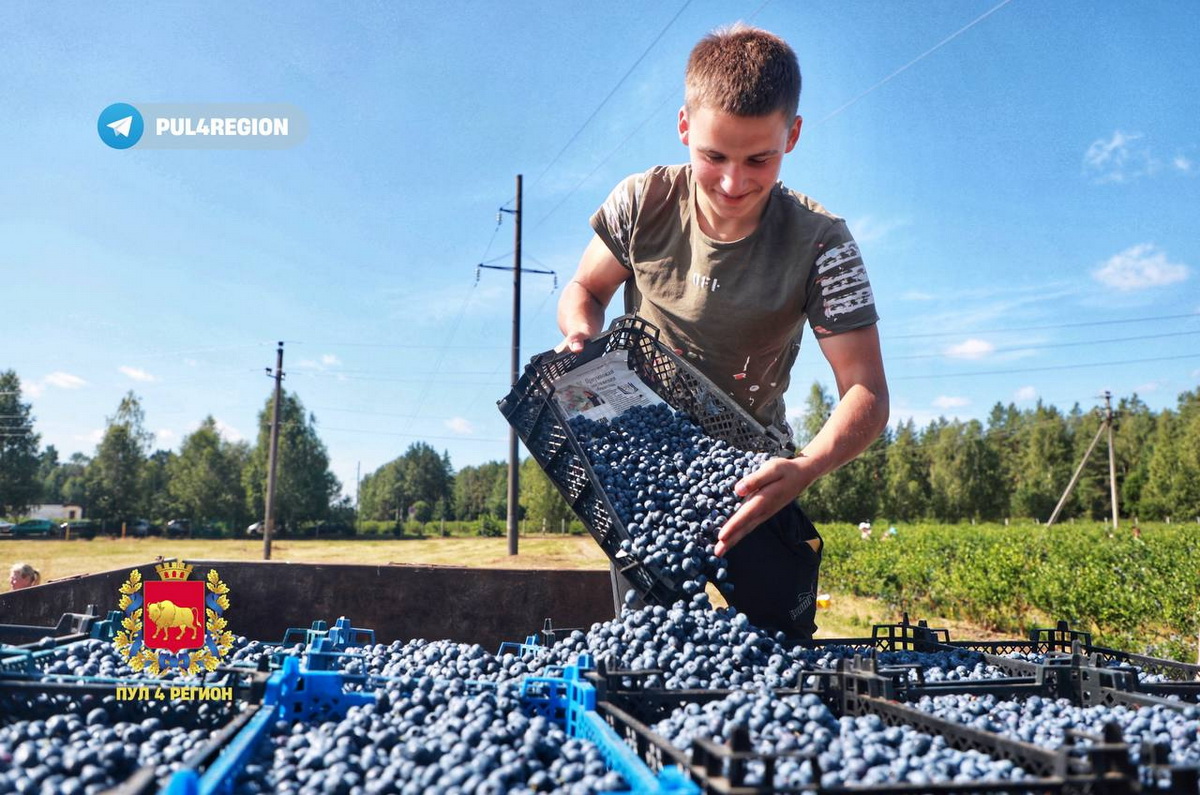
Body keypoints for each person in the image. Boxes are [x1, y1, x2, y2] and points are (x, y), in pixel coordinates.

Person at [557, 24, 889, 638]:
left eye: (760, 158)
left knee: (775, 652)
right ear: (685, 127)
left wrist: (807, 467)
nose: (734, 183)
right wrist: (581, 336)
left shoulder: (822, 243)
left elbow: (865, 391)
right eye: (713, 156)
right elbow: (585, 290)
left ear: (791, 134)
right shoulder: (641, 203)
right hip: (647, 471)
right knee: (650, 654)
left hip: (756, 475)